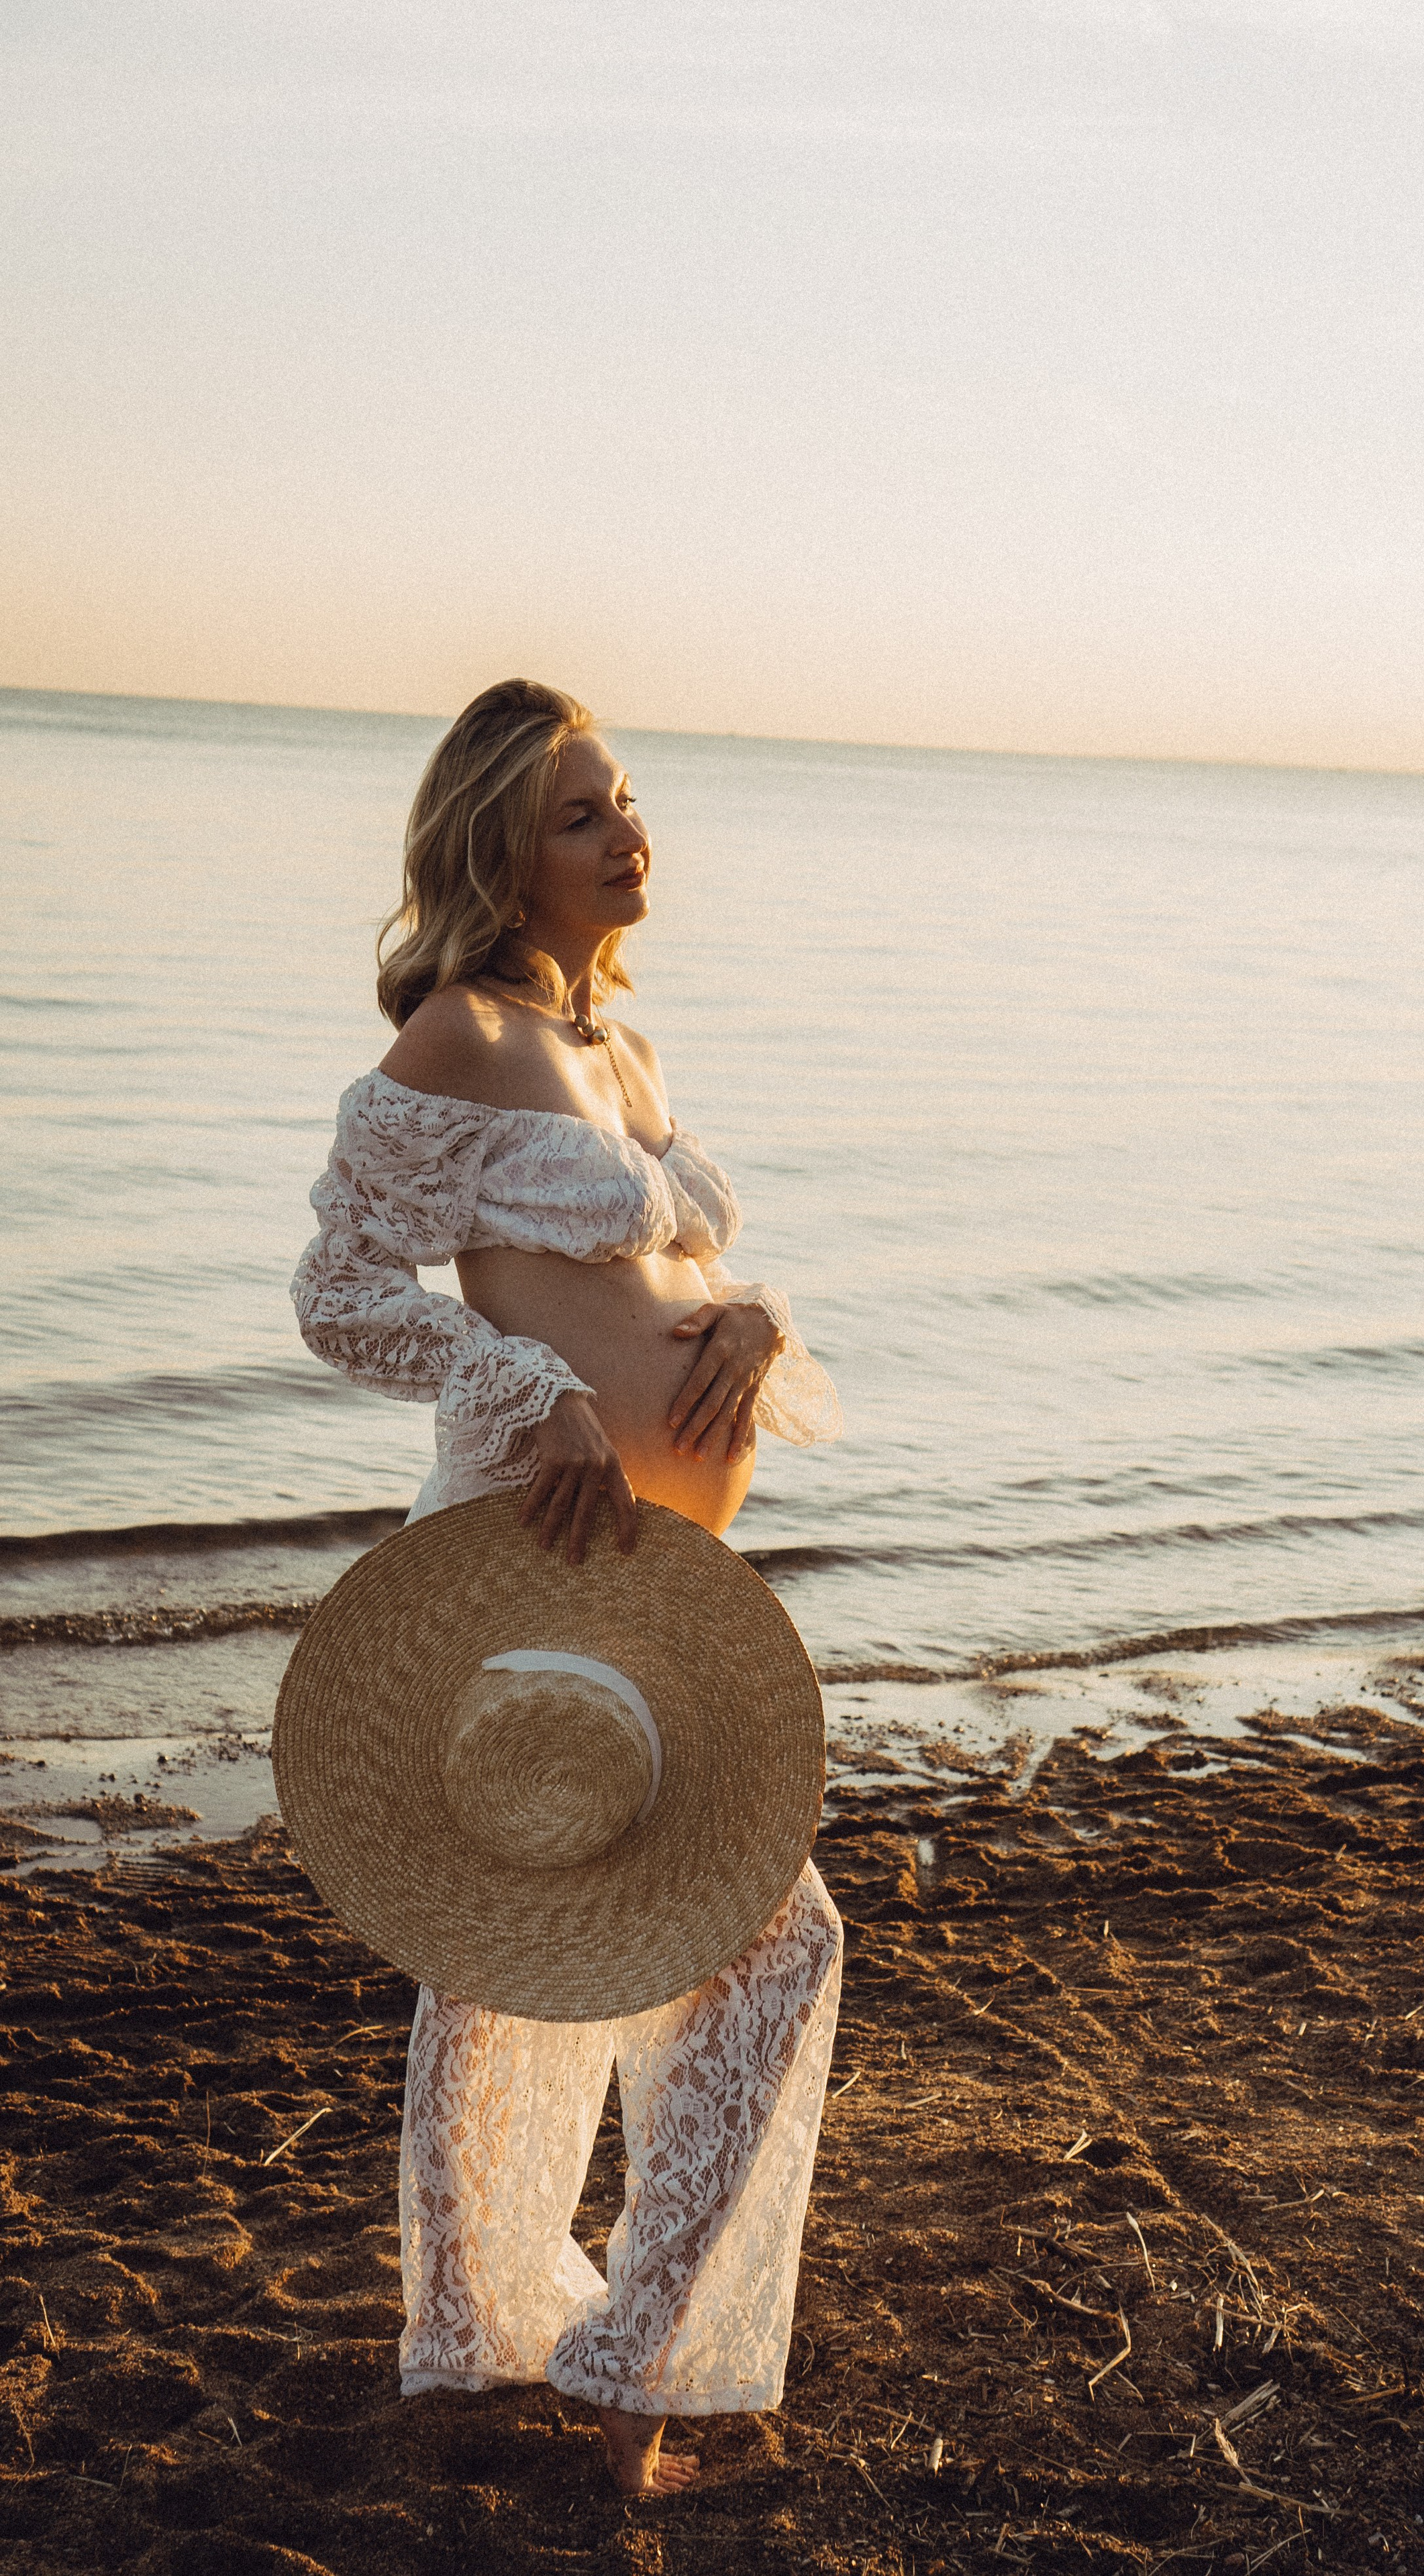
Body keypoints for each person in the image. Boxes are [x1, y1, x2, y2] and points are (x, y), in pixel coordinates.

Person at [291, 678, 844, 2495]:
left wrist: (746, 1321)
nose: (630, 834)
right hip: (525, 1556)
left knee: (609, 1942)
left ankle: (539, 2359)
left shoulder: (626, 1056)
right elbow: (344, 1292)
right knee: (517, 1949)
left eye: (627, 801)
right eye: (586, 814)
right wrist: (521, 1388)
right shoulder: (457, 1033)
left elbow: (657, 1269)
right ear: (501, 858)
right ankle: (544, 2362)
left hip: (666, 1566)